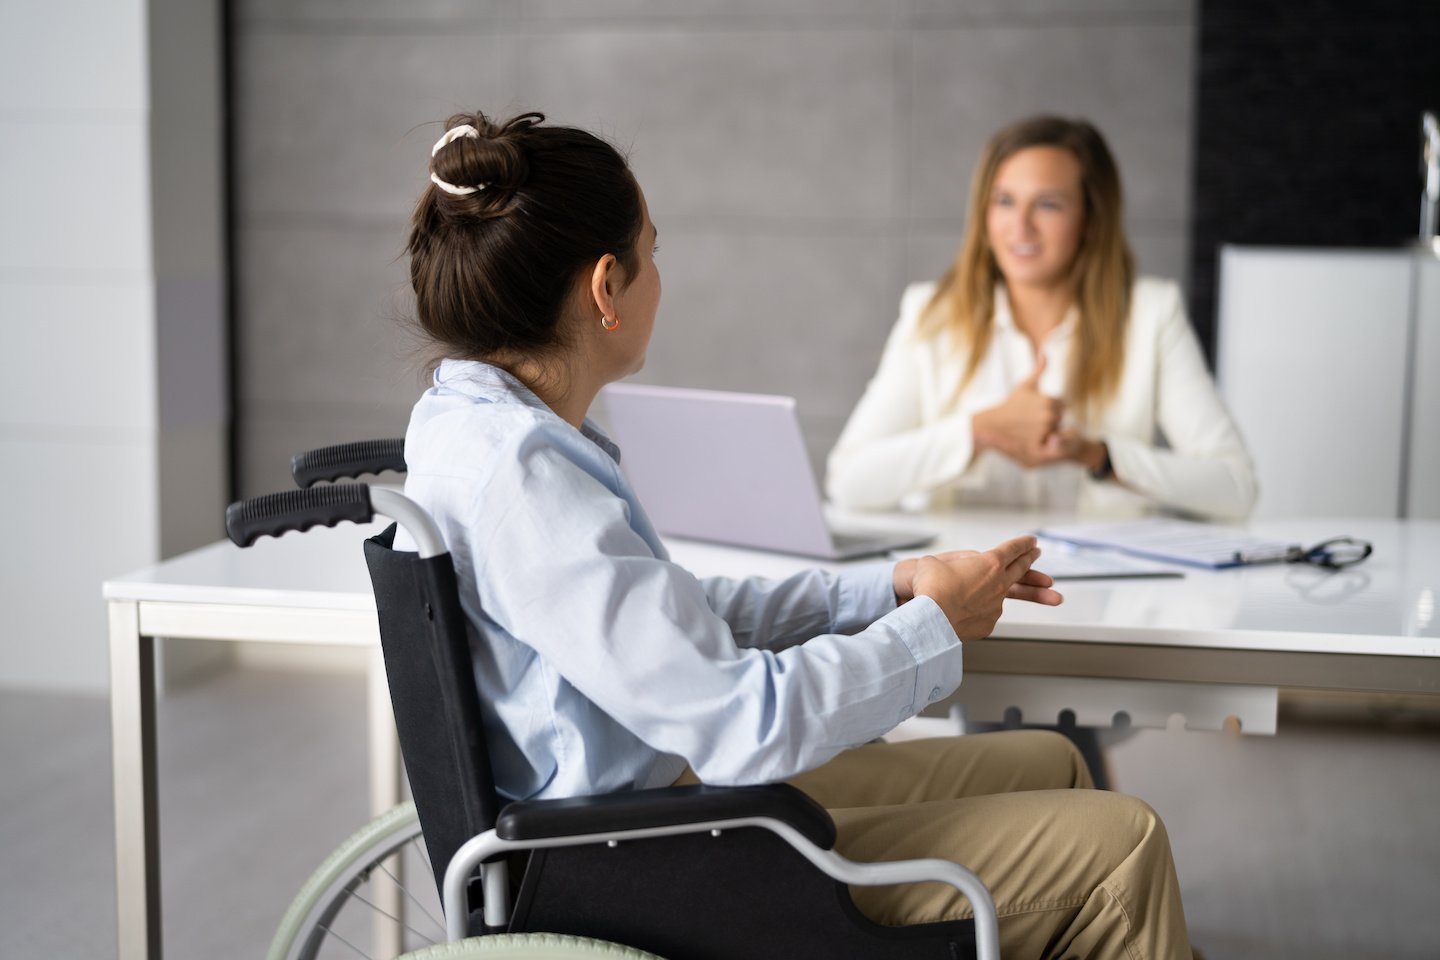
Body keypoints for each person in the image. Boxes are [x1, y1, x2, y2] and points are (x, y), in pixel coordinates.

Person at [400, 110, 1196, 959]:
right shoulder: (525, 477)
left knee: (1055, 764)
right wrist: (931, 628)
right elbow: (748, 724)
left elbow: (671, 620)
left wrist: (889, 588)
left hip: (654, 804)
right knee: (1127, 843)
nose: (660, 277)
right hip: (653, 860)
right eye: (654, 252)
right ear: (607, 289)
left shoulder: (474, 427)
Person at [826, 115, 1256, 521]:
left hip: (1105, 588)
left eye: (1048, 204)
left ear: (1090, 219)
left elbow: (1236, 489)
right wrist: (978, 431)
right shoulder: (932, 313)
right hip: (965, 582)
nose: (1021, 226)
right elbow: (847, 481)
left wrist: (1099, 456)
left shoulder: (1151, 314)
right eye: (1005, 201)